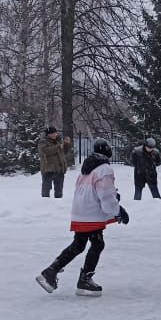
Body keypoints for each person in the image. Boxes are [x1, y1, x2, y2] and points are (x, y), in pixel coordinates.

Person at [36, 138, 128, 295]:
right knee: (97, 244)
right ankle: (84, 278)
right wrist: (117, 210)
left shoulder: (88, 168)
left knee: (79, 245)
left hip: (81, 212)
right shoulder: (104, 168)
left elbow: (89, 190)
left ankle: (51, 271)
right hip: (91, 214)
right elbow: (105, 194)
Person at [38, 126, 72, 198]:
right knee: (46, 189)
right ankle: (44, 204)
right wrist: (58, 147)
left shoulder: (59, 141)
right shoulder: (43, 141)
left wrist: (66, 144)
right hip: (48, 169)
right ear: (48, 134)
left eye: (55, 133)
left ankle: (58, 205)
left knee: (59, 189)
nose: (55, 135)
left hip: (59, 169)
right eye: (53, 133)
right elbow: (44, 151)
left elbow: (64, 152)